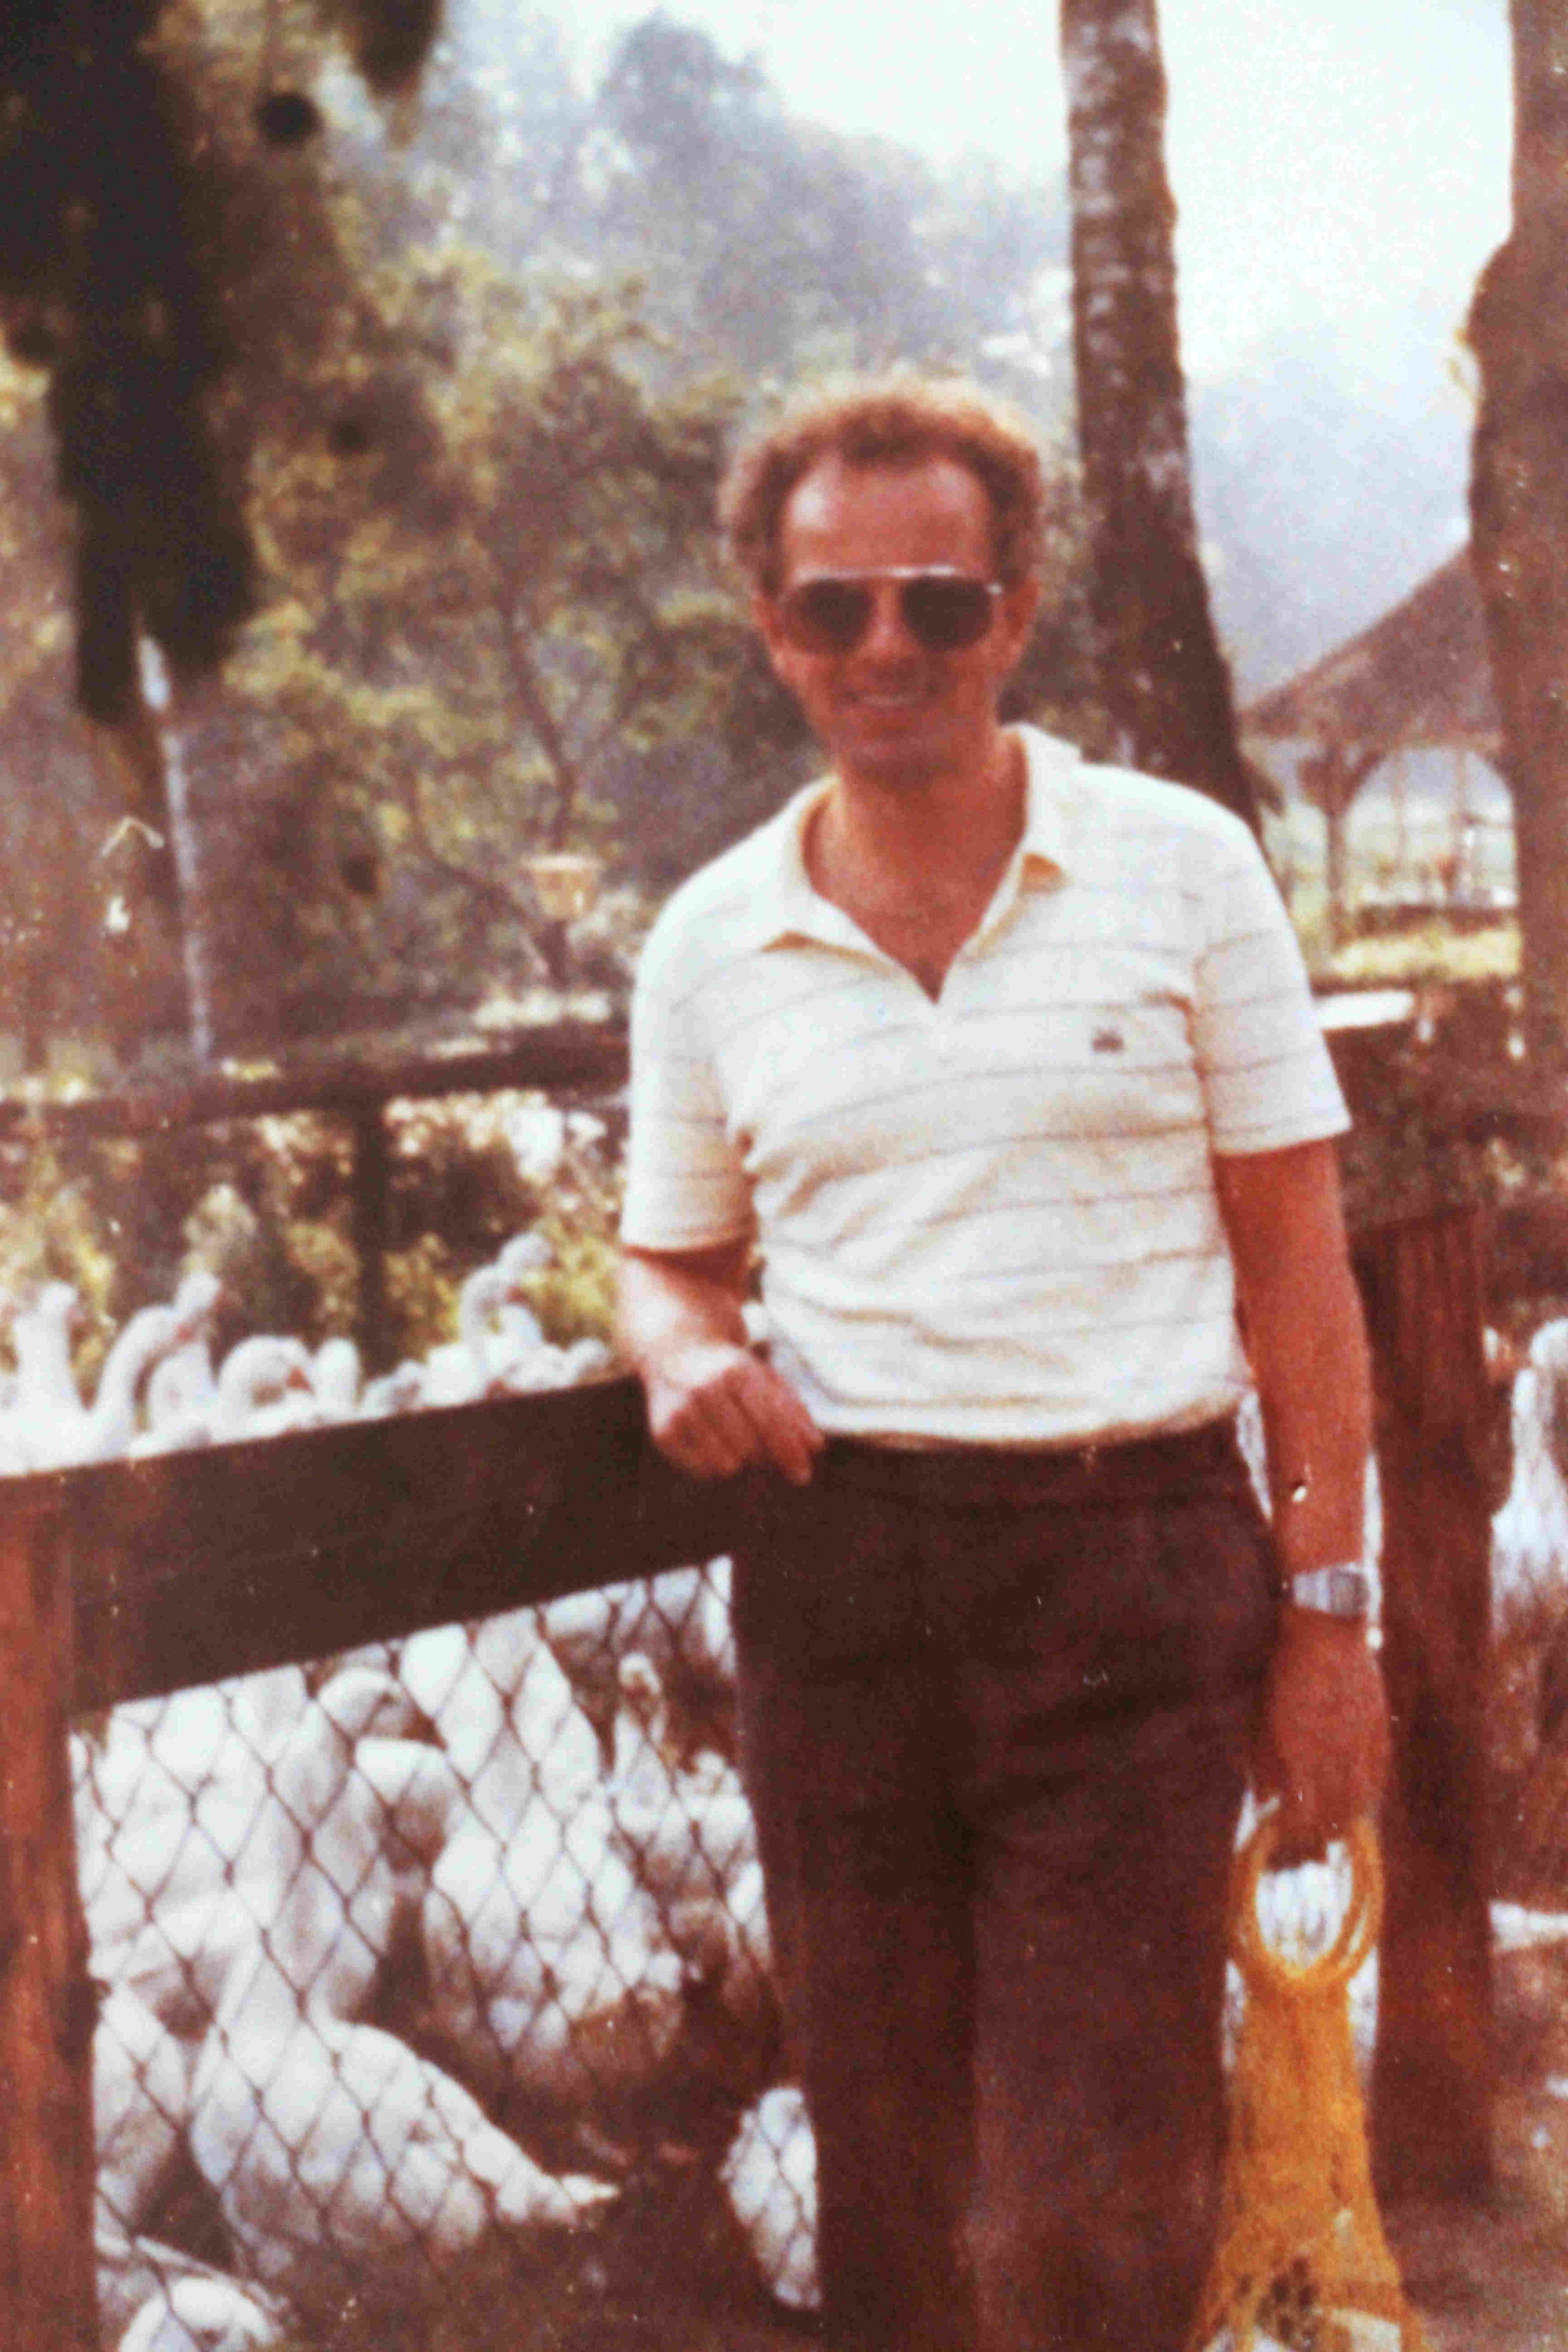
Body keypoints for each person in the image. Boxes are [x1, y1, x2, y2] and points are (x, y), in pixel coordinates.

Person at [616, 375, 1388, 2352]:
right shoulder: (710, 942)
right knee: (885, 2173)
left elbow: (1301, 1278)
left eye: (939, 603)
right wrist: (678, 1351)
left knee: (1094, 2188)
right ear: (774, 630)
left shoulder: (1183, 867)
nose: (888, 647)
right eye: (836, 607)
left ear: (1015, 613)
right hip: (842, 1577)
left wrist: (1329, 1619)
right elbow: (670, 1261)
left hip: (1127, 1566)